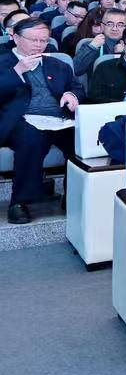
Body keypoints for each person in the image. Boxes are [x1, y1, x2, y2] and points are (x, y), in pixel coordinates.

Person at [0, 18, 82, 224]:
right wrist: (17, 72)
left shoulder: (57, 64)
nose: (39, 45)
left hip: (58, 118)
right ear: (16, 38)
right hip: (19, 119)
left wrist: (72, 94)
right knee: (32, 139)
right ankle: (19, 202)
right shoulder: (3, 61)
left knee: (82, 140)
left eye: (44, 40)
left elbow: (76, 86)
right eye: (33, 40)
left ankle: (73, 196)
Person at [73, 8, 126, 77]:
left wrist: (124, 54)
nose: (114, 29)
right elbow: (75, 70)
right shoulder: (91, 45)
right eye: (110, 24)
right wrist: (92, 47)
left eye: (120, 25)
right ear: (102, 26)